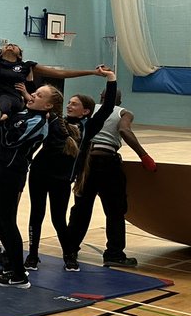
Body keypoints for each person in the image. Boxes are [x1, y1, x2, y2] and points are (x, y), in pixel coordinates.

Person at [0, 77, 79, 288]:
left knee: (6, 220)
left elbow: (11, 140)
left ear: (49, 105)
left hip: (11, 171)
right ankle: (12, 264)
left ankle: (18, 274)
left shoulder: (39, 122)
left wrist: (1, 122)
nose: (32, 95)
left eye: (39, 95)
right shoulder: (24, 112)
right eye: (35, 92)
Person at [65, 78, 157, 268]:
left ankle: (70, 249)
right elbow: (124, 130)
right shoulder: (124, 112)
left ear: (101, 97)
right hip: (107, 161)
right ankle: (114, 254)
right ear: (120, 101)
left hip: (85, 162)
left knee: (81, 209)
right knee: (115, 210)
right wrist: (144, 156)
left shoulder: (90, 109)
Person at [33, 71, 118, 271]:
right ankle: (33, 255)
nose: (70, 105)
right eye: (69, 102)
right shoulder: (54, 120)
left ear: (86, 111)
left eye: (75, 103)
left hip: (62, 179)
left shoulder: (89, 127)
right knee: (36, 215)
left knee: (58, 219)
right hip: (39, 173)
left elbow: (107, 107)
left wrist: (111, 78)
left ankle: (68, 255)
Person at [0, 42, 107, 127]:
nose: (10, 46)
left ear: (20, 54)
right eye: (7, 45)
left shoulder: (26, 66)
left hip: (14, 99)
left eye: (14, 45)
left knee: (5, 101)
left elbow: (60, 73)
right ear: (2, 51)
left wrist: (92, 72)